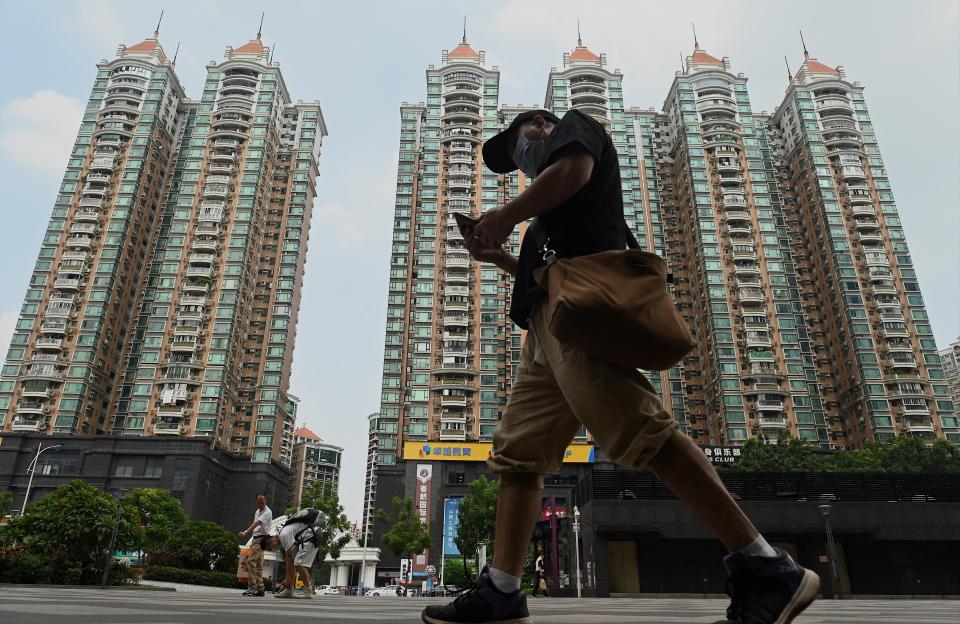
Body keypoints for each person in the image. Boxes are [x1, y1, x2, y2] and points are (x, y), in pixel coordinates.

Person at [421, 109, 820, 624]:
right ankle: (501, 591)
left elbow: (572, 172)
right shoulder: (543, 219)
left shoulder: (574, 130)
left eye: (517, 146)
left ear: (539, 126)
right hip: (544, 333)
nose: (520, 163)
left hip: (583, 321)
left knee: (641, 430)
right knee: (517, 455)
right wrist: (498, 255)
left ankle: (766, 567)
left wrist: (504, 215)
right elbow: (544, 275)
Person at [262, 518, 319, 599]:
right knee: (297, 562)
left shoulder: (283, 535)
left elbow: (288, 558)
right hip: (309, 536)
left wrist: (287, 578)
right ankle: (289, 590)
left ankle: (307, 591)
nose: (273, 547)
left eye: (270, 545)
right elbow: (291, 561)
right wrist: (288, 579)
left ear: (272, 538)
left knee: (299, 563)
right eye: (270, 549)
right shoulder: (283, 535)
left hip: (312, 536)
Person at [239, 494, 272, 597]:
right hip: (255, 538)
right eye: (258, 503)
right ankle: (261, 589)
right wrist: (252, 536)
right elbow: (256, 524)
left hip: (262, 539)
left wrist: (245, 532)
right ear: (256, 502)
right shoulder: (257, 511)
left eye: (262, 503)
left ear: (265, 501)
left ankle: (252, 586)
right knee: (258, 564)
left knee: (251, 561)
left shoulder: (268, 512)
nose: (260, 505)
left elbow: (257, 523)